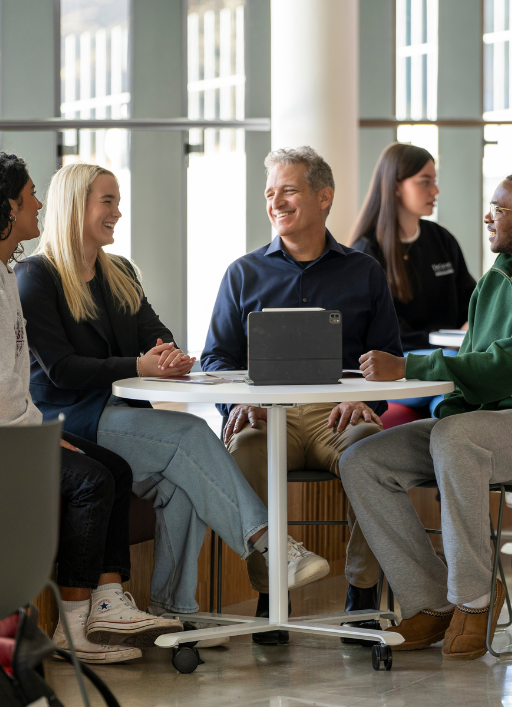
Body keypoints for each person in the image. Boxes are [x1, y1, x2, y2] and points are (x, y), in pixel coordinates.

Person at [15, 163, 329, 642]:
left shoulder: (118, 272)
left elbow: (155, 334)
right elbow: (60, 368)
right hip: (72, 419)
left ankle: (175, 612)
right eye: (108, 201)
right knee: (190, 435)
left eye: (118, 201)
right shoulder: (35, 276)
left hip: (121, 417)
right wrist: (140, 366)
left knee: (181, 486)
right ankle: (269, 542)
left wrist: (169, 356)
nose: (118, 212)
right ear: (76, 205)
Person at [0, 153, 180, 664]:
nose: (39, 203)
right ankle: (72, 630)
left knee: (114, 468)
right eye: (30, 194)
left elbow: (0, 391)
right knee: (90, 480)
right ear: (8, 207)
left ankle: (104, 600)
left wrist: (34, 431)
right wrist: (36, 436)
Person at [342, 171, 512, 661]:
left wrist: (408, 367)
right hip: (474, 428)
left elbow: (504, 367)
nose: (488, 216)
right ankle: (432, 602)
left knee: (454, 438)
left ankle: (476, 599)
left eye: (498, 209)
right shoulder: (493, 282)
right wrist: (445, 410)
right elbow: (470, 370)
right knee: (362, 461)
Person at [200, 146, 403, 645]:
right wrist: (238, 401)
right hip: (271, 414)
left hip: (340, 414)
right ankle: (274, 588)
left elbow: (389, 358)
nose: (277, 202)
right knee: (244, 449)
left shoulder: (364, 272)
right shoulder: (243, 273)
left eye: (288, 190)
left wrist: (367, 400)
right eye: (270, 194)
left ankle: (362, 591)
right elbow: (213, 359)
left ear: (323, 196)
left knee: (372, 453)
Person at [348, 143, 476, 390]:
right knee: (457, 377)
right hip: (400, 367)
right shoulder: (367, 253)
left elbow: (473, 300)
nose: (436, 190)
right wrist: (443, 344)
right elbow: (376, 335)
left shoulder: (442, 239)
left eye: (434, 181)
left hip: (446, 358)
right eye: (425, 182)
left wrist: (474, 321)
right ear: (396, 186)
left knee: (453, 393)